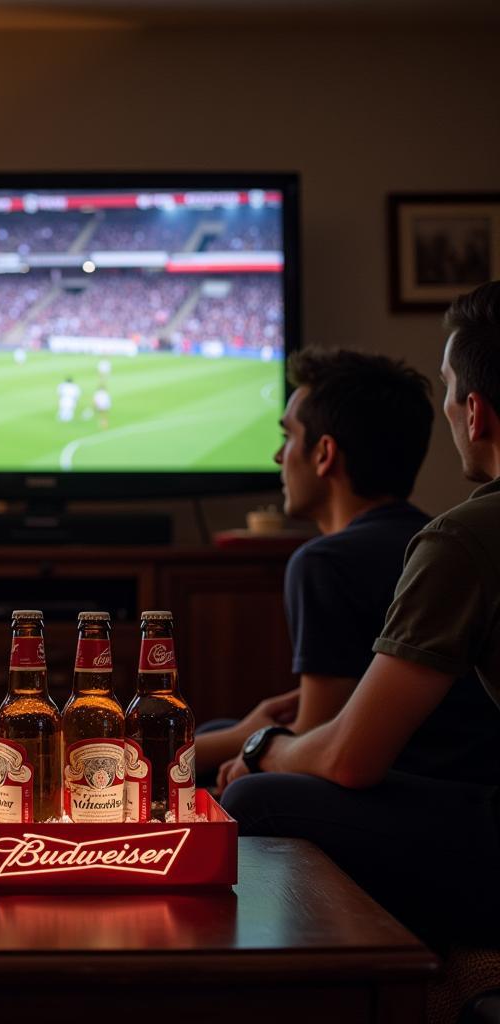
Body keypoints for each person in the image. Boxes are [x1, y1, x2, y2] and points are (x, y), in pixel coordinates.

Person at [220, 281, 500, 946]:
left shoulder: (466, 538)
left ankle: (343, 972)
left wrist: (262, 747)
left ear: (476, 412)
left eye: (450, 385)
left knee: (254, 794)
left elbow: (349, 760)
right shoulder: (439, 533)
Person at [196, 349, 500, 788]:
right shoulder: (431, 536)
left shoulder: (324, 563)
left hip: (421, 790)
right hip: (466, 778)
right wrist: (245, 734)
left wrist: (249, 741)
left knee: (252, 787)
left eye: (288, 437)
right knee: (220, 735)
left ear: (324, 454)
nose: (280, 458)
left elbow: (311, 734)